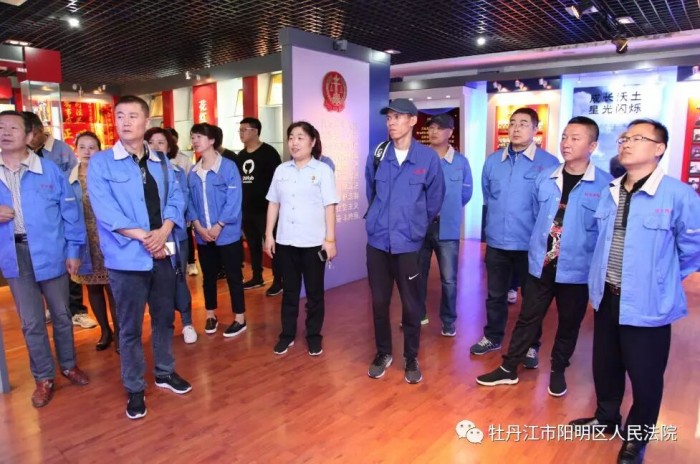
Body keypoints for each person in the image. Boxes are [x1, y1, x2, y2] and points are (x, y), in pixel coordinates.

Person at [569, 119, 700, 464]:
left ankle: (636, 440)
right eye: (624, 138)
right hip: (607, 296)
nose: (626, 143)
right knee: (606, 366)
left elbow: (693, 249)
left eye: (637, 138)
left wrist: (661, 279)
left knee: (645, 377)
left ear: (659, 148)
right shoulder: (610, 191)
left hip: (648, 303)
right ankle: (606, 418)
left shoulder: (678, 195)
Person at [476, 116, 612, 396]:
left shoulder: (605, 186)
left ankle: (558, 370)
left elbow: (605, 234)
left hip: (577, 269)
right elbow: (537, 216)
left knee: (569, 323)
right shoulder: (546, 176)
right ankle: (509, 368)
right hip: (541, 263)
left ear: (592, 146)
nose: (566, 143)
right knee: (527, 317)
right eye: (564, 137)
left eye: (575, 138)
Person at [88, 95, 191, 420]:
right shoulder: (102, 163)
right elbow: (106, 211)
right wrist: (148, 238)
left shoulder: (160, 160)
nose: (126, 121)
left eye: (133, 115)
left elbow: (176, 198)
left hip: (162, 253)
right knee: (129, 327)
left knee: (164, 319)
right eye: (120, 115)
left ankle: (164, 372)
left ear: (146, 122)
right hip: (126, 259)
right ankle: (134, 388)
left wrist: (165, 230)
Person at [0, 110, 89, 408]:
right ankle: (43, 377)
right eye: (0, 127)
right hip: (15, 254)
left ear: (29, 135)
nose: (5, 132)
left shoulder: (48, 170)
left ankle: (69, 365)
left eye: (13, 128)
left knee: (62, 314)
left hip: (51, 251)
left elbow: (71, 214)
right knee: (31, 322)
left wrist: (74, 251)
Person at [472, 108, 559, 370]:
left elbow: (551, 205)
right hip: (497, 242)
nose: (516, 128)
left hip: (531, 244)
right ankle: (493, 337)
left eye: (523, 123)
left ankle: (531, 345)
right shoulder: (493, 161)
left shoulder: (549, 163)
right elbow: (488, 196)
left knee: (532, 299)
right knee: (495, 295)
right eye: (512, 123)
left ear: (535, 129)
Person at [365, 98, 445, 384]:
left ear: (412, 120)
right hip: (378, 243)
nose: (391, 122)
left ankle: (411, 356)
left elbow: (435, 199)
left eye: (398, 117)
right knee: (379, 303)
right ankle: (383, 352)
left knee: (412, 305)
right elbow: (371, 192)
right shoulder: (378, 154)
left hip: (409, 244)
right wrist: (379, 220)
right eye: (389, 118)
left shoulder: (427, 158)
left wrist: (416, 225)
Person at [264, 121, 338, 356]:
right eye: (291, 138)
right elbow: (273, 203)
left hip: (313, 243)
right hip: (286, 241)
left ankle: (314, 335)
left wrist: (330, 240)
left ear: (312, 142)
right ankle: (287, 335)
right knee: (289, 292)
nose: (294, 143)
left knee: (315, 293)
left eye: (300, 137)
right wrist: (269, 234)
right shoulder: (281, 170)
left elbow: (329, 207)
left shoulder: (323, 170)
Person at [24, 111, 97, 329]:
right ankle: (55, 308)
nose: (29, 139)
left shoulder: (61, 151)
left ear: (39, 130)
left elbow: (70, 184)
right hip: (45, 220)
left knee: (73, 264)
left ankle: (77, 310)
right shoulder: (27, 154)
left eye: (30, 133)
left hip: (70, 214)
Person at [187, 122, 247, 338]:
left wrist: (219, 225)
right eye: (193, 137)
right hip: (203, 235)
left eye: (199, 137)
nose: (195, 141)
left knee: (233, 276)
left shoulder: (228, 167)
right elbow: (189, 202)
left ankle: (240, 318)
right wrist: (198, 226)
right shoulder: (193, 172)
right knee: (208, 277)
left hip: (227, 233)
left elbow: (234, 200)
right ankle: (211, 315)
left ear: (211, 140)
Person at [418, 113, 472, 335]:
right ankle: (418, 314)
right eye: (431, 128)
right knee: (417, 275)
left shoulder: (460, 162)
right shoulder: (420, 157)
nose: (433, 132)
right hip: (421, 226)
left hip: (447, 227)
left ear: (450, 132)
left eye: (439, 128)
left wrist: (448, 210)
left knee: (449, 279)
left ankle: (448, 321)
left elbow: (466, 193)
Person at [146, 127, 197, 344]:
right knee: (154, 282)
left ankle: (187, 322)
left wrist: (164, 229)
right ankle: (160, 325)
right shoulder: (139, 172)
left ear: (169, 148)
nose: (156, 147)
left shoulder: (177, 172)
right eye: (151, 142)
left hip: (174, 236)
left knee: (178, 277)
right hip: (148, 239)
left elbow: (181, 203)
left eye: (161, 143)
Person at [71, 131, 120, 352]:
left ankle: (119, 332)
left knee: (112, 288)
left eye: (92, 147)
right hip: (84, 241)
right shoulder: (69, 178)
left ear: (99, 151)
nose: (87, 151)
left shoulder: (107, 174)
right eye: (82, 147)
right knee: (93, 288)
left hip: (107, 238)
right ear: (76, 150)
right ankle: (105, 331)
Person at [234, 117, 283, 295]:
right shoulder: (241, 156)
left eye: (244, 130)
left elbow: (277, 181)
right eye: (240, 130)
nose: (241, 133)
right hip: (246, 209)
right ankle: (257, 276)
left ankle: (278, 280)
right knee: (253, 244)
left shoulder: (269, 153)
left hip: (266, 210)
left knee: (272, 245)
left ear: (255, 131)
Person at [166, 127, 198, 276]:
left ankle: (190, 263)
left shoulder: (182, 162)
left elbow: (187, 190)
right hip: (158, 226)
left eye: (162, 142)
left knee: (184, 239)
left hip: (179, 216)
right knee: (167, 266)